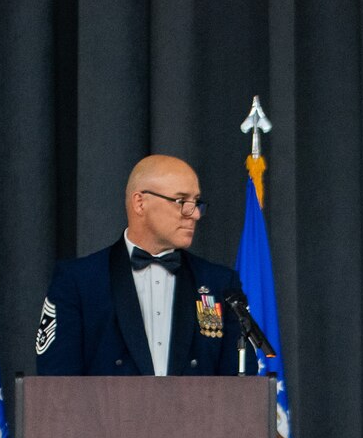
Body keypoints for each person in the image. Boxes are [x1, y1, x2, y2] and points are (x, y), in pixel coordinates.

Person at [35, 154, 246, 376]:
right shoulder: (79, 281)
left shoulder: (219, 284)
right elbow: (56, 385)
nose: (194, 214)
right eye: (182, 201)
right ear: (140, 203)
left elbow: (239, 390)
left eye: (196, 203)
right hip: (106, 411)